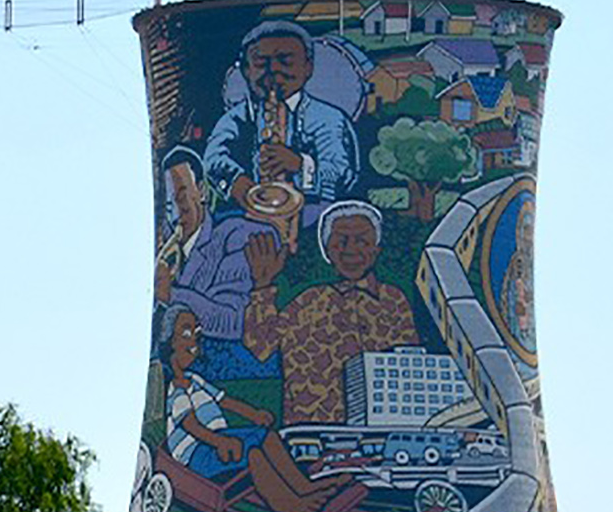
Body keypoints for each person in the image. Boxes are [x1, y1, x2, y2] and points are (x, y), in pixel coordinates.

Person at [163, 305, 348, 512]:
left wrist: (254, 414)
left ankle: (305, 487)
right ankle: (290, 511)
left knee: (265, 435)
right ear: (170, 342)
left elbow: (225, 401)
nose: (194, 342)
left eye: (197, 333)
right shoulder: (176, 390)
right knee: (253, 454)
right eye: (186, 334)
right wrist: (220, 442)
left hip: (218, 438)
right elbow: (190, 425)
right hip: (197, 454)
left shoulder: (195, 380)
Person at [243, 200, 419, 425]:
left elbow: (410, 366)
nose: (351, 249)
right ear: (326, 249)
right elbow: (260, 346)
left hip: (384, 429)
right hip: (315, 429)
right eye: (341, 241)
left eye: (362, 241)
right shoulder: (309, 302)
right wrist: (262, 286)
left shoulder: (393, 301)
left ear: (376, 250)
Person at [203, 21, 359, 207]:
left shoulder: (329, 119)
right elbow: (213, 157)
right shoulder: (236, 118)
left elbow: (342, 173)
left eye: (286, 61)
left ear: (308, 68)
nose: (274, 70)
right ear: (246, 70)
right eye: (261, 62)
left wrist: (299, 165)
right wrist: (239, 184)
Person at [154, 147, 275, 341]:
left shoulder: (236, 236)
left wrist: (171, 295)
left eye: (182, 198)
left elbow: (234, 321)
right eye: (169, 205)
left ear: (201, 192)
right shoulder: (166, 258)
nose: (176, 213)